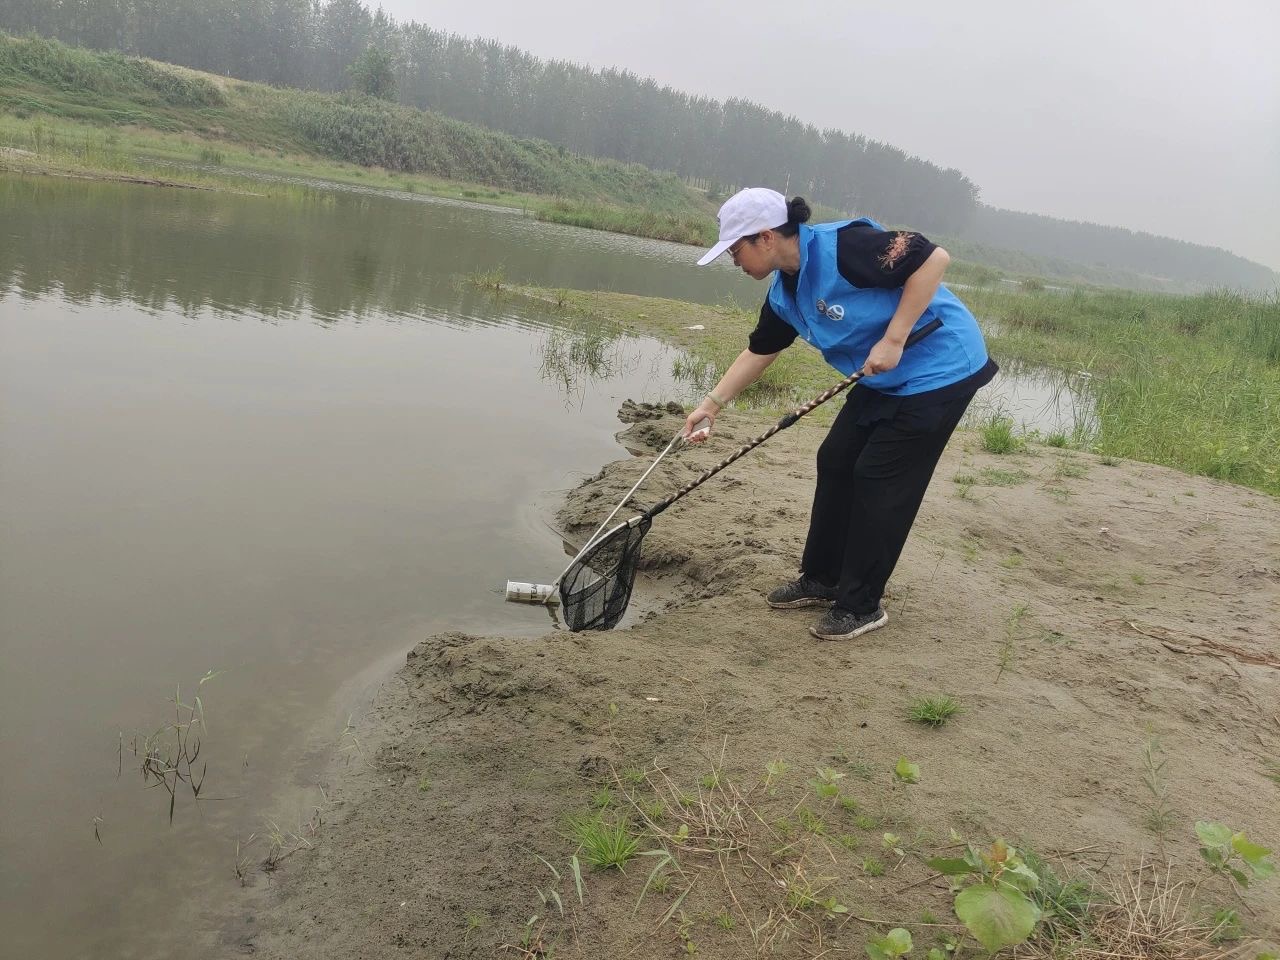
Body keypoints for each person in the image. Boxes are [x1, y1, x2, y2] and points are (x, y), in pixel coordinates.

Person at [683, 187, 997, 641]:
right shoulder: (784, 292)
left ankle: (861, 605)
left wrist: (894, 338)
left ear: (765, 237)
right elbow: (760, 350)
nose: (734, 261)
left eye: (735, 250)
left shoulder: (846, 248)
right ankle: (824, 578)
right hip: (882, 378)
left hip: (941, 368)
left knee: (878, 476)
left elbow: (933, 259)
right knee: (836, 459)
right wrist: (710, 406)